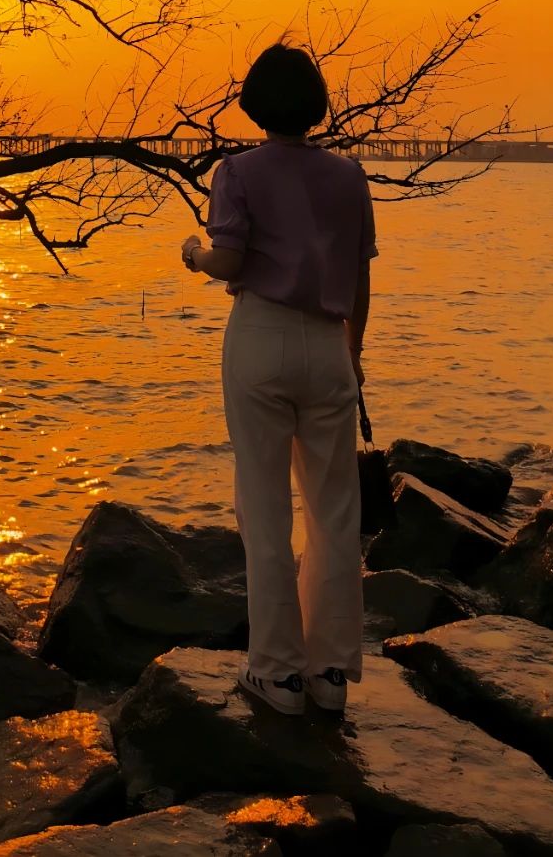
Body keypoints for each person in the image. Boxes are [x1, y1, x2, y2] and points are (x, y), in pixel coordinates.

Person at [179, 41, 375, 717]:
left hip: (260, 336)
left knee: (263, 507)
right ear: (316, 105)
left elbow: (229, 261)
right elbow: (360, 275)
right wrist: (352, 352)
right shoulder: (350, 176)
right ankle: (330, 673)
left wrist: (195, 253)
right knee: (333, 510)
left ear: (257, 103)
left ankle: (278, 674)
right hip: (329, 342)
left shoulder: (237, 171)